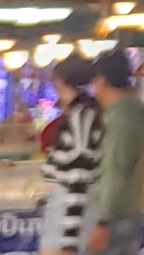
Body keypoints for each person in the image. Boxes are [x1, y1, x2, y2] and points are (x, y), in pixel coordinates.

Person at [83, 50, 144, 255]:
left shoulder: (118, 121)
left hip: (115, 217)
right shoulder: (134, 113)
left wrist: (102, 221)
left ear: (101, 81)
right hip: (130, 211)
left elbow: (113, 172)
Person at [39, 55, 101, 254]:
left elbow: (79, 174)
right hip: (67, 205)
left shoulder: (81, 116)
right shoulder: (81, 113)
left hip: (68, 207)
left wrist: (70, 240)